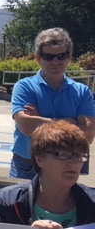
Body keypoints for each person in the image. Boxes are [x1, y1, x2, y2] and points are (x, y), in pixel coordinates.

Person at [10, 27, 95, 180]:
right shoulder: (23, 87)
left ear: (70, 57)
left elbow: (88, 135)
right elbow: (26, 126)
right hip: (28, 165)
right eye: (48, 56)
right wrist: (70, 123)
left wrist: (42, 121)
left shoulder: (82, 91)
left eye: (61, 56)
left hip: (68, 166)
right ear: (38, 58)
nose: (55, 62)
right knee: (20, 204)